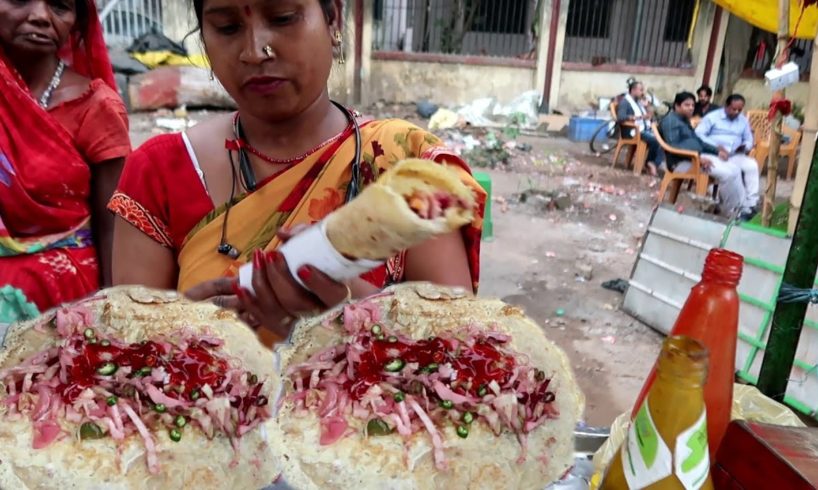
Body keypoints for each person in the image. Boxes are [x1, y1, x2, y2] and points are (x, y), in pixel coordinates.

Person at [109, 0, 486, 346]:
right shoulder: (160, 172)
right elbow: (126, 362)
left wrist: (347, 319)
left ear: (332, 17)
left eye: (283, 18)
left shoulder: (402, 166)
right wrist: (179, 341)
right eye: (227, 27)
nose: (255, 51)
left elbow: (458, 358)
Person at [0, 0, 130, 324]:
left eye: (59, 6)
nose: (41, 17)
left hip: (61, 301)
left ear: (78, 21)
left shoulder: (96, 107)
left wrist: (112, 322)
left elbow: (114, 229)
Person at [659, 92, 745, 216]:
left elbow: (699, 142)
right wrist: (698, 159)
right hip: (682, 163)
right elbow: (674, 146)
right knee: (727, 174)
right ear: (677, 106)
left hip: (695, 158)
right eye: (686, 105)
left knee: (735, 169)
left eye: (693, 105)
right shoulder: (671, 121)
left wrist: (717, 151)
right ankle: (731, 212)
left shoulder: (684, 120)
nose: (691, 108)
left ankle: (741, 208)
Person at [695, 94, 759, 220]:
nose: (736, 112)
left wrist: (745, 146)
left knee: (752, 166)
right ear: (726, 106)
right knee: (730, 173)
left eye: (739, 110)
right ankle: (733, 208)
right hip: (714, 153)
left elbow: (748, 139)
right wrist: (717, 147)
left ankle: (751, 204)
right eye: (733, 109)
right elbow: (698, 135)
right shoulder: (712, 117)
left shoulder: (743, 120)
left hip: (735, 154)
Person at [616, 81, 665, 176]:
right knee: (656, 140)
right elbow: (620, 118)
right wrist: (639, 117)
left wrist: (647, 106)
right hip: (632, 131)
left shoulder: (638, 102)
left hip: (643, 129)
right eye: (641, 90)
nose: (643, 93)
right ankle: (649, 163)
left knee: (663, 138)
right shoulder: (625, 102)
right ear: (633, 90)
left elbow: (650, 114)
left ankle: (654, 163)